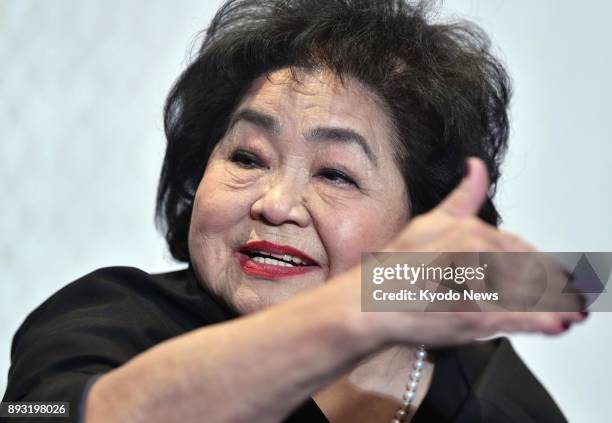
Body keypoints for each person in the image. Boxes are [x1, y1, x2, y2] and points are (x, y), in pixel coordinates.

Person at [2, 1, 587, 422]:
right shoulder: (107, 320)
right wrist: (354, 314)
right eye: (248, 157)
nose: (274, 203)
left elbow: (587, 281)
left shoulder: (497, 395)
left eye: (335, 174)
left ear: (423, 223)